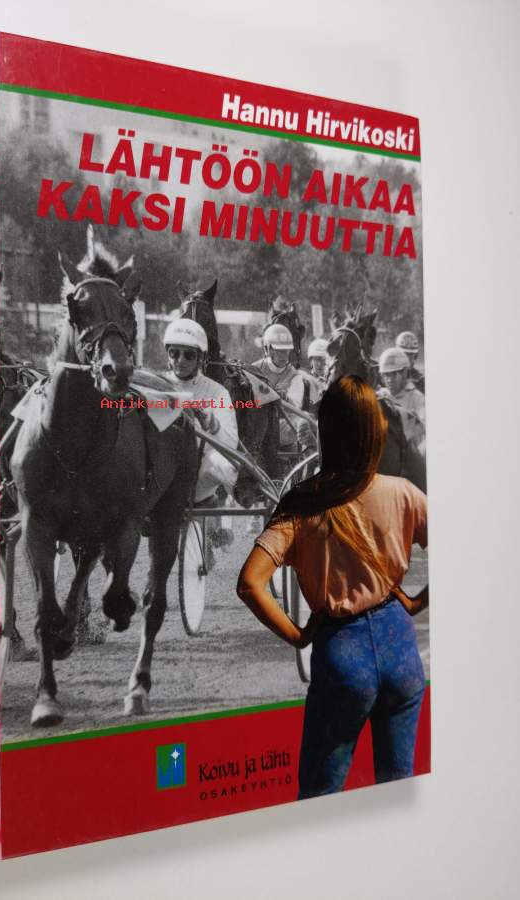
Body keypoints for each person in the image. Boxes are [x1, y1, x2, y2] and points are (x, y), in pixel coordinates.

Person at [236, 375, 428, 798]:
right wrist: (416, 602)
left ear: (326, 431)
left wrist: (298, 636)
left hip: (342, 651)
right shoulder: (405, 493)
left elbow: (250, 583)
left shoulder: (303, 503)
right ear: (375, 433)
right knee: (398, 794)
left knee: (319, 799)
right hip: (400, 645)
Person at [162, 319, 238, 506]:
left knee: (226, 464)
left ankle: (242, 502)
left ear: (200, 358)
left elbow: (231, 445)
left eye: (188, 355)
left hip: (199, 477)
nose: (180, 360)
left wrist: (213, 425)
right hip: (162, 475)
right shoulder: (158, 385)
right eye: (174, 353)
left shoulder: (217, 392)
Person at [252, 323, 319, 452]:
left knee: (303, 419)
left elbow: (294, 408)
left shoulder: (295, 376)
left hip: (283, 426)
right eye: (280, 350)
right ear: (268, 349)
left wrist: (279, 396)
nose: (284, 355)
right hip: (256, 423)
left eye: (287, 350)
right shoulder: (254, 369)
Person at [377, 347, 426, 446]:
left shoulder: (418, 399)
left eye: (393, 374)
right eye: (386, 375)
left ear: (404, 373)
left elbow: (424, 432)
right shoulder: (379, 396)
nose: (389, 380)